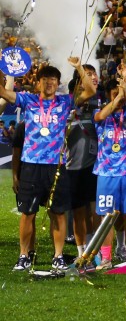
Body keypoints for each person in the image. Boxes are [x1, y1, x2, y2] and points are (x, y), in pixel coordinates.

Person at [5, 58, 95, 274]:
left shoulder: (65, 102)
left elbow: (90, 90)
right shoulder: (27, 100)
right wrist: (5, 68)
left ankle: (58, 256)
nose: (49, 83)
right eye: (45, 79)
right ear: (38, 83)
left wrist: (79, 68)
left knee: (58, 213)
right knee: (28, 213)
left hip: (56, 166)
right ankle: (24, 256)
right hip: (31, 165)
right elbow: (4, 93)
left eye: (53, 79)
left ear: (58, 83)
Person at [93, 68, 126, 269]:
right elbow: (99, 116)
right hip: (106, 173)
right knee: (107, 217)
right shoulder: (100, 114)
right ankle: (106, 259)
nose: (119, 97)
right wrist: (116, 99)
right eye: (115, 94)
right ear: (108, 95)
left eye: (121, 94)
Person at [66, 64, 102, 262]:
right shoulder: (68, 107)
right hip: (72, 168)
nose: (92, 77)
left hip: (96, 167)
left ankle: (95, 251)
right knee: (79, 212)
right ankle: (81, 252)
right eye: (87, 75)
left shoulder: (99, 105)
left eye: (93, 74)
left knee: (96, 210)